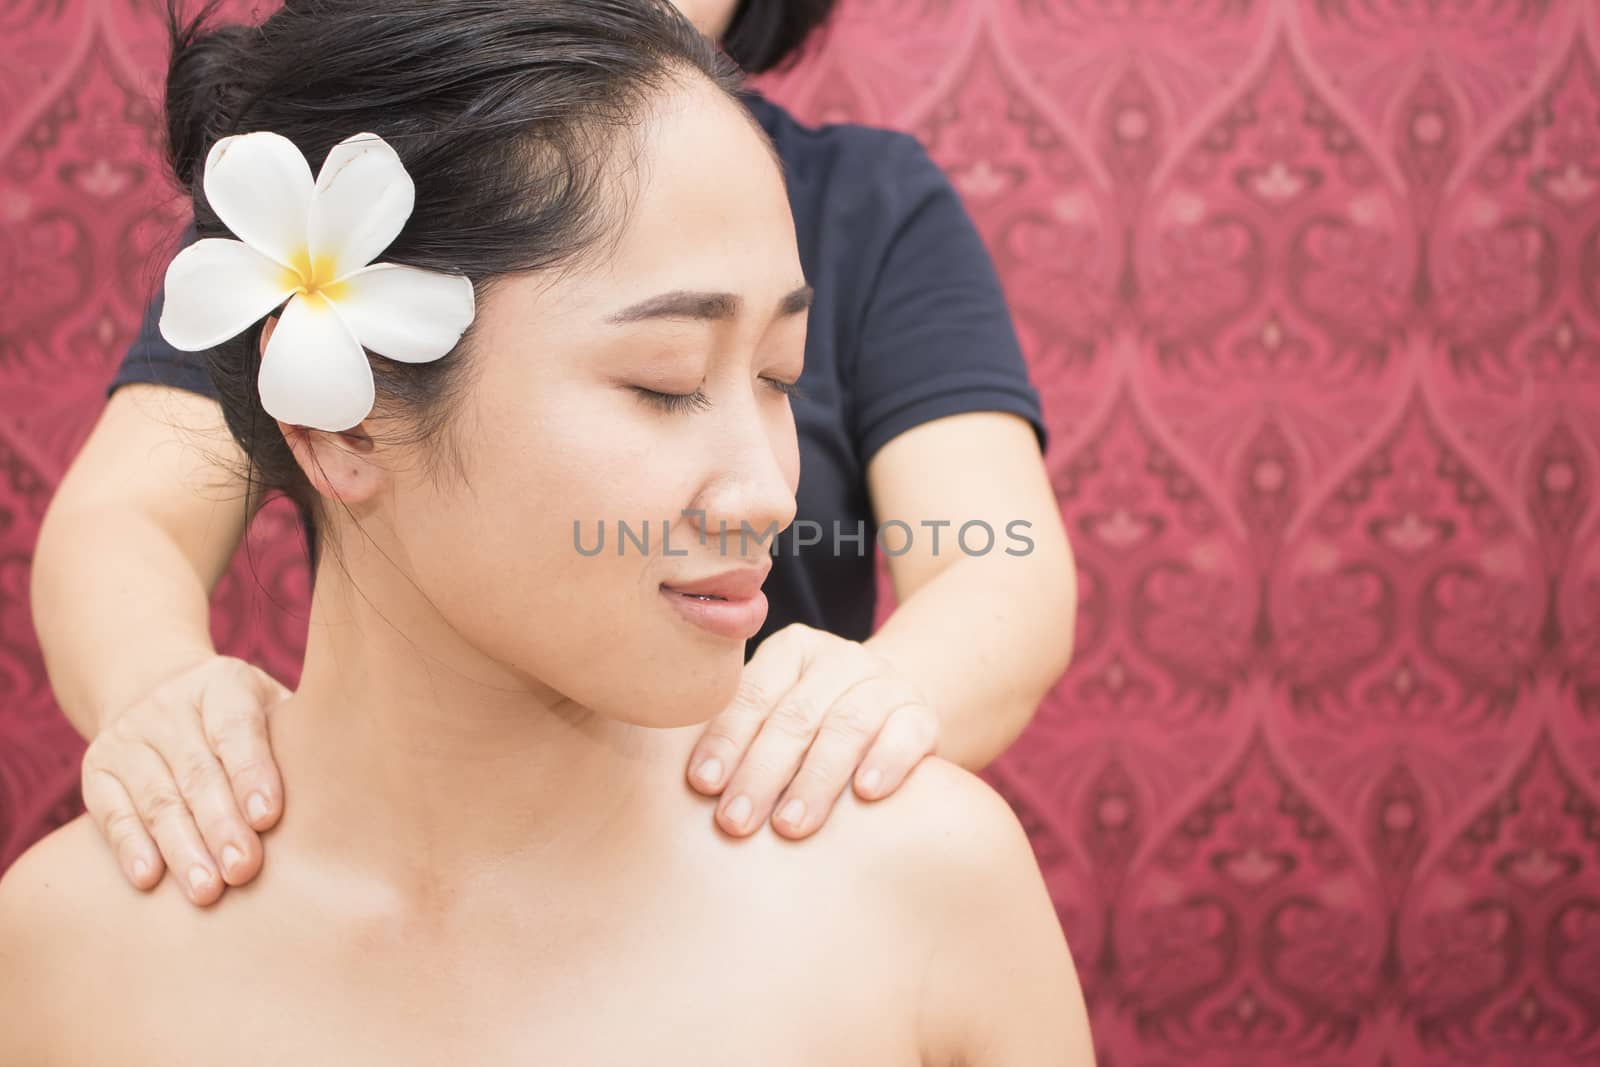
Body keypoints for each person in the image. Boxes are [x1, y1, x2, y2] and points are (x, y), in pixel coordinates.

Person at [0, 2, 1094, 1062]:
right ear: (342, 408)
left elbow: (995, 562)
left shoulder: (923, 891)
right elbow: (124, 519)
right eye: (663, 386)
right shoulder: (352, 210)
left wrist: (855, 718)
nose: (770, 490)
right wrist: (163, 707)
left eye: (779, 379)